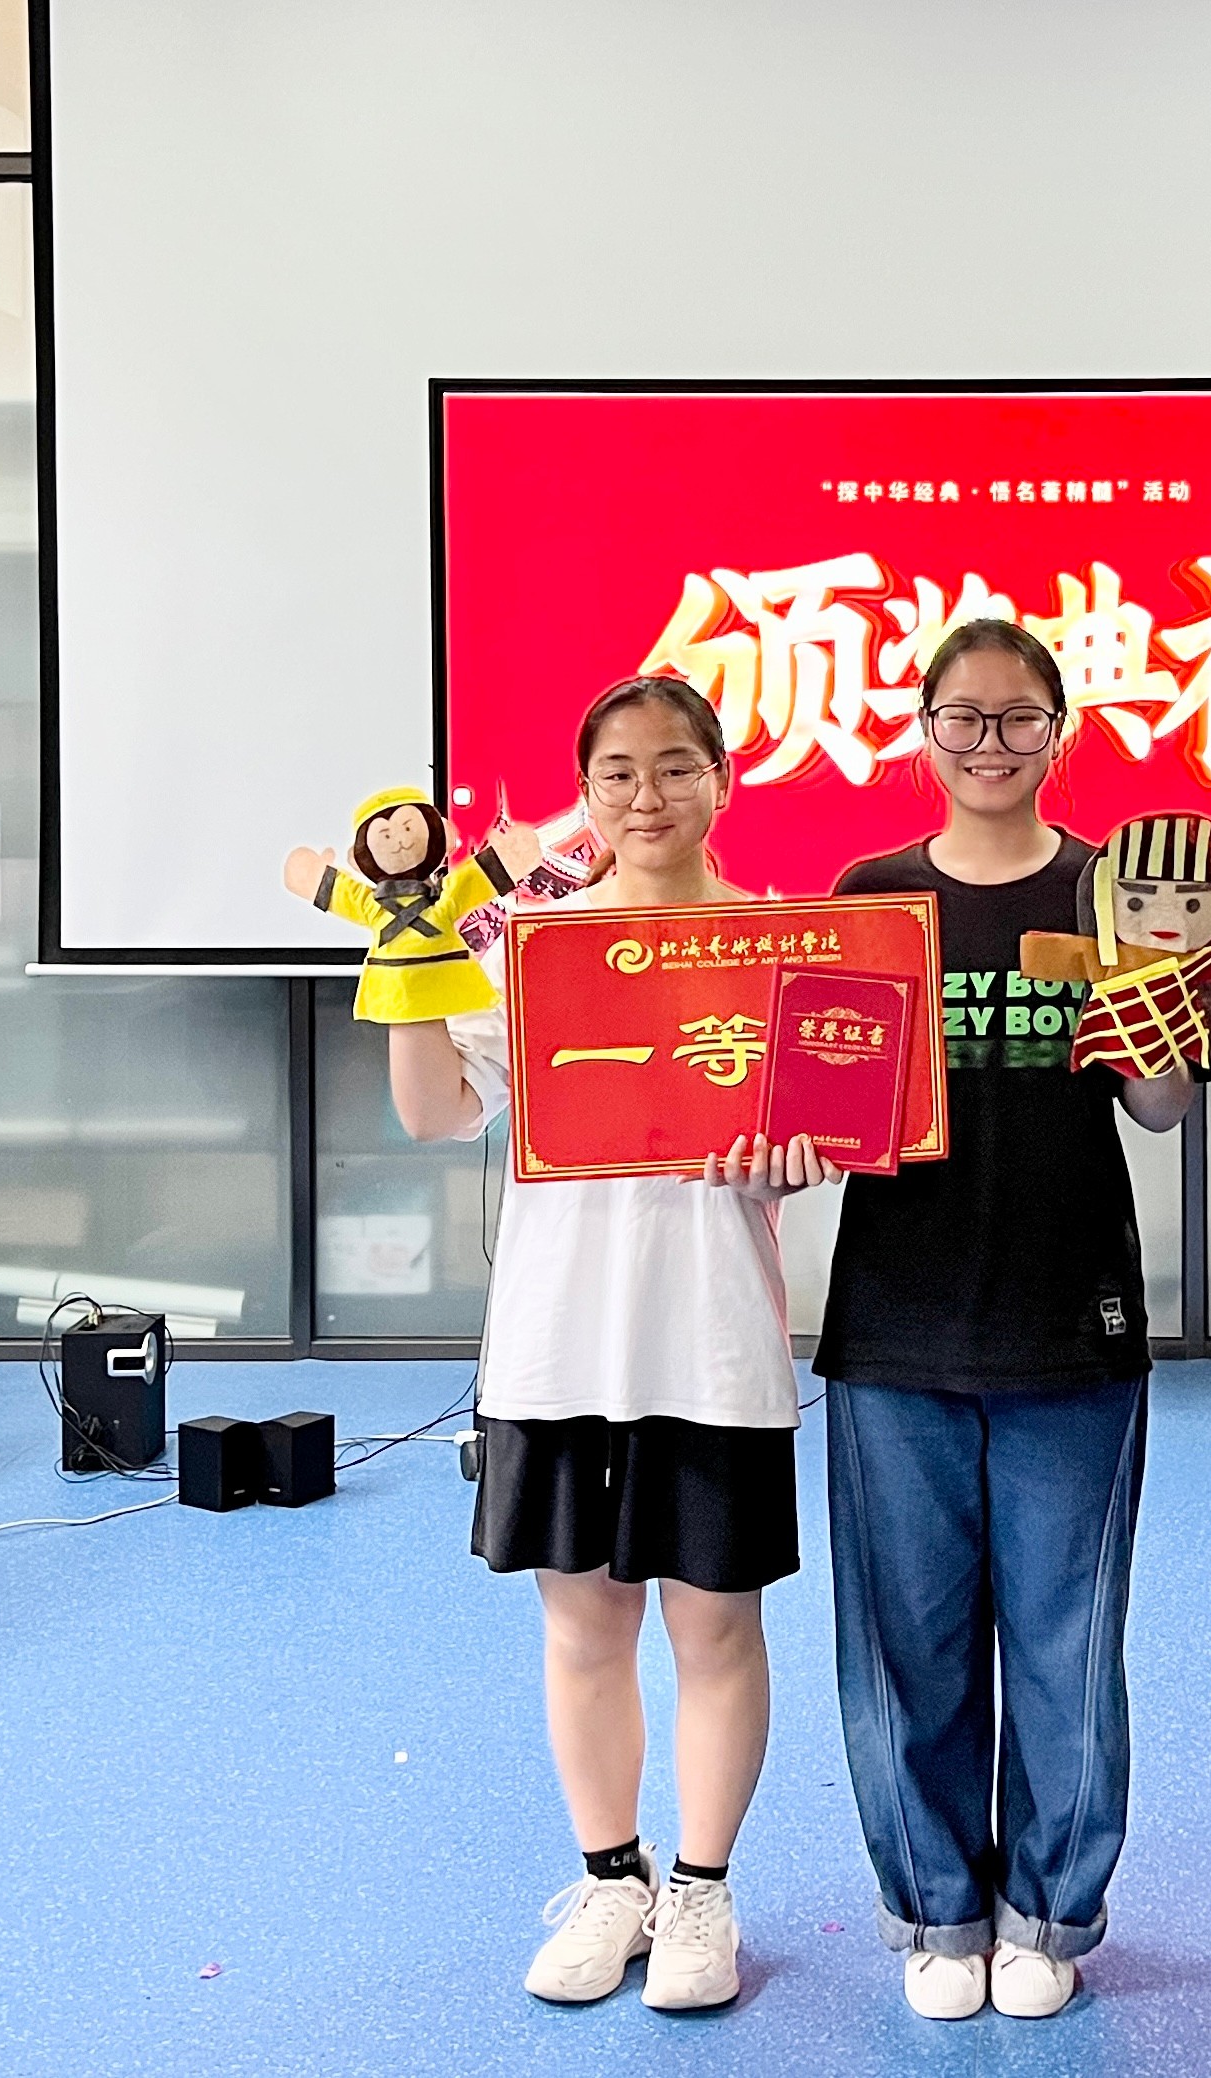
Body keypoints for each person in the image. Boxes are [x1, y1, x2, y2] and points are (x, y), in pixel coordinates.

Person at [384, 675, 835, 2013]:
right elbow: (434, 1111)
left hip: (712, 1343)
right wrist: (404, 956)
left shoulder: (778, 945)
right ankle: (609, 1879)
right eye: (619, 772)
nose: (649, 796)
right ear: (585, 792)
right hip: (555, 1342)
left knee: (717, 1627)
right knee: (583, 1626)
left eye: (678, 766)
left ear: (722, 781)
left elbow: (826, 1136)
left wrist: (801, 1153)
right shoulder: (530, 946)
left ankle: (701, 1889)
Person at [816, 619, 1195, 2022]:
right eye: (963, 717)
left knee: (1064, 1641)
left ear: (1059, 731)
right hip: (894, 1327)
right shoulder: (870, 896)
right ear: (923, 731)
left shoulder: (1115, 889)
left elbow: (1161, 1106)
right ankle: (938, 1909)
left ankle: (1049, 1910)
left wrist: (1164, 995)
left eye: (1018, 718)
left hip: (1069, 1320)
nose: (990, 743)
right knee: (904, 1646)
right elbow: (825, 1108)